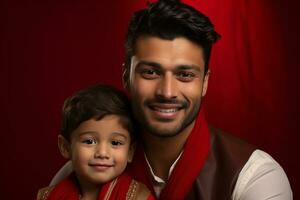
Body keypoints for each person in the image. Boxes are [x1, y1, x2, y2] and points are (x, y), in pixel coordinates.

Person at [52, 0, 293, 199]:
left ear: (205, 82)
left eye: (185, 74)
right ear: (126, 77)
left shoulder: (255, 178)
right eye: (151, 72)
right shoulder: (83, 170)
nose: (167, 92)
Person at [37, 84, 154, 200]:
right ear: (65, 147)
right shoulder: (50, 196)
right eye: (89, 141)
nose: (102, 153)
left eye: (116, 143)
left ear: (130, 151)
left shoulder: (138, 197)